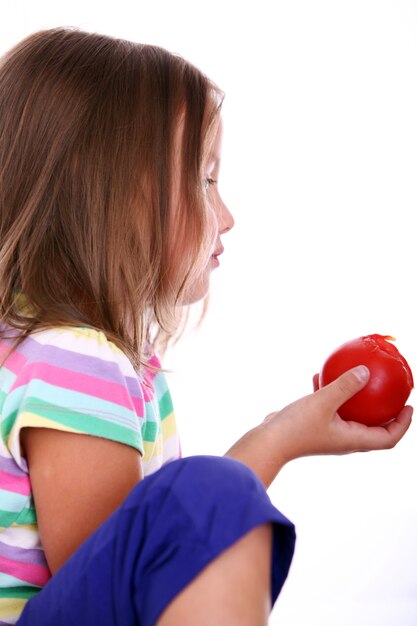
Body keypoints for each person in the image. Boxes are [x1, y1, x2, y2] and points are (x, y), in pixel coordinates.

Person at [0, 27, 412, 626]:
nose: (227, 216)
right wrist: (275, 442)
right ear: (112, 196)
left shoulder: (48, 348)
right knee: (207, 493)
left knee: (204, 494)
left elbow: (148, 552)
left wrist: (281, 435)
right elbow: (135, 583)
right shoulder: (73, 356)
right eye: (204, 179)